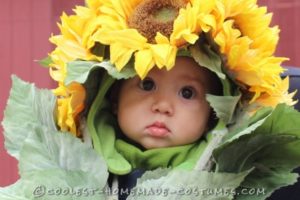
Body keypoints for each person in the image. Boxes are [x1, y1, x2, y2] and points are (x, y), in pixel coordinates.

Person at [1, 1, 300, 200]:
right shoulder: (72, 157)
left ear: (215, 110)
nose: (162, 105)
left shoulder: (234, 171)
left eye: (187, 93)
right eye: (146, 83)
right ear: (113, 97)